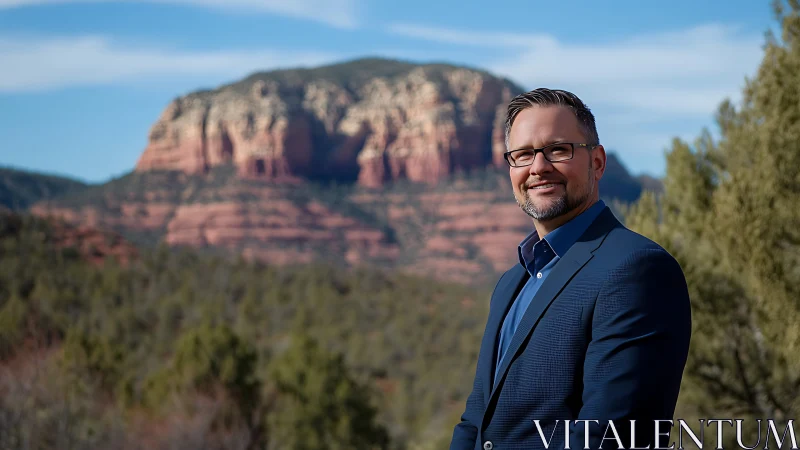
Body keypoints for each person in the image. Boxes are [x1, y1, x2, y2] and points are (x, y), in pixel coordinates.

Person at [449, 88, 692, 450]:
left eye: (558, 150)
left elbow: (609, 436)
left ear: (597, 162)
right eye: (523, 154)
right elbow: (476, 420)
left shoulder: (637, 269)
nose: (538, 167)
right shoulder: (512, 282)